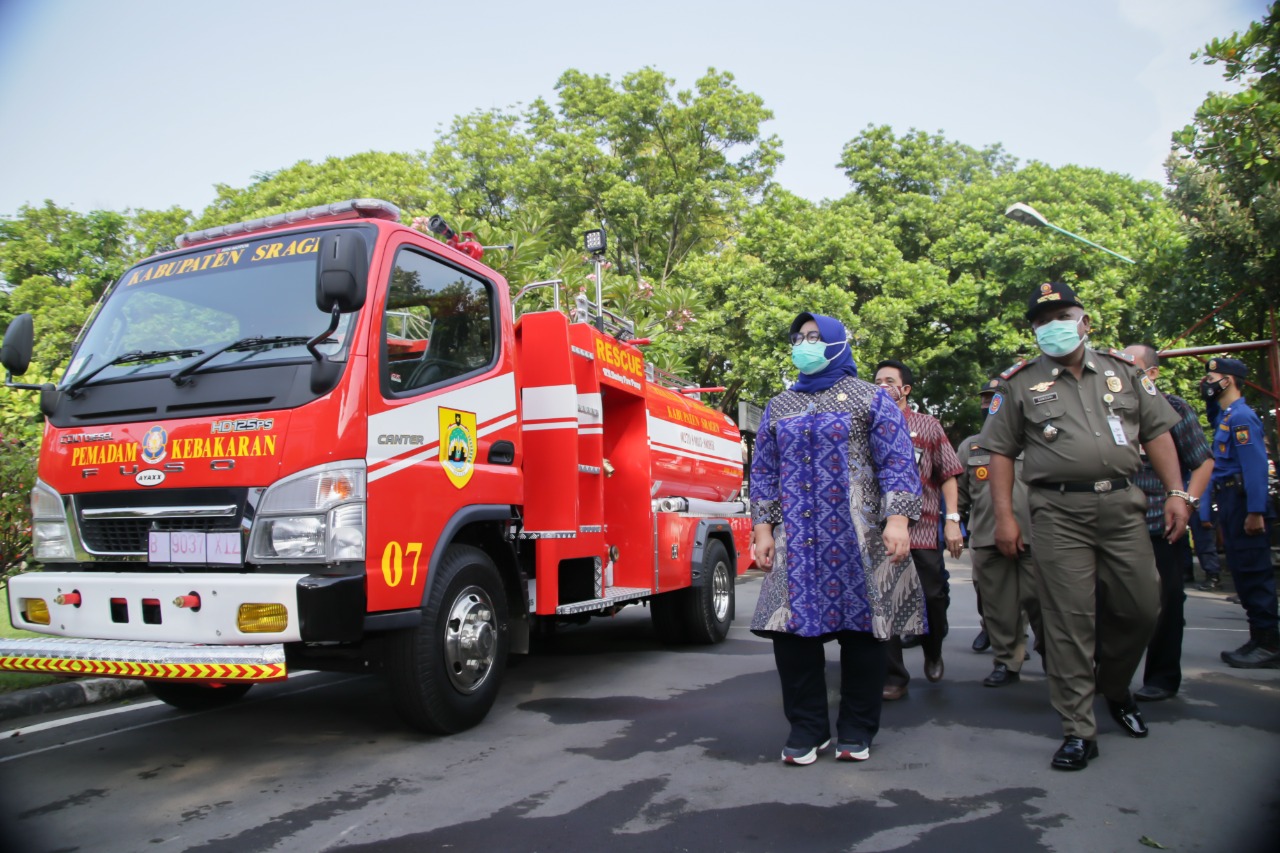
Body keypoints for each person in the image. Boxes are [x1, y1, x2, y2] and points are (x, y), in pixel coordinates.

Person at [980, 282, 1191, 771]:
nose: (1051, 326)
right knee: (1068, 621)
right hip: (1057, 513)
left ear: (1085, 322)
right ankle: (1079, 729)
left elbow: (1158, 432)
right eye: (1041, 321)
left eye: (1061, 316)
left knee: (1143, 608)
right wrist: (1006, 518)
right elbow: (1000, 453)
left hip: (1122, 508)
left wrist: (1177, 492)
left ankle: (1114, 687)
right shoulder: (1018, 383)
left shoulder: (1124, 372)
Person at [751, 312, 924, 766]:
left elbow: (897, 461)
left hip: (858, 537)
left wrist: (898, 520)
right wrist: (763, 528)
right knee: (790, 632)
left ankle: (856, 727)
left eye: (814, 337)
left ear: (836, 343)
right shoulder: (779, 406)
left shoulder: (871, 398)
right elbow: (764, 470)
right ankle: (807, 728)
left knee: (863, 631)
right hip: (797, 540)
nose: (803, 344)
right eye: (798, 338)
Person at [1122, 343, 1214, 701]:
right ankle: (1105, 675)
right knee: (1105, 603)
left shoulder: (1173, 408)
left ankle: (1161, 677)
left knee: (1167, 601)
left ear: (1153, 373)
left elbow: (1202, 461)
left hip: (1160, 523)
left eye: (1133, 367)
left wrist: (1186, 502)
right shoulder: (1105, 409)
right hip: (1113, 524)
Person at [874, 359, 965, 700]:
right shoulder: (866, 425)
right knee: (885, 601)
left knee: (932, 597)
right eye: (877, 382)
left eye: (889, 381)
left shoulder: (928, 426)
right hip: (880, 530)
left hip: (923, 529)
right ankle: (894, 676)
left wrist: (952, 521)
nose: (882, 387)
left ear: (906, 389)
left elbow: (948, 474)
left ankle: (933, 649)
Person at [956, 378, 1044, 687]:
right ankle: (1007, 661)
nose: (989, 404)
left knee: (1043, 603)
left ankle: (1055, 656)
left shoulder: (1037, 439)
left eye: (996, 398)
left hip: (1036, 537)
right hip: (987, 537)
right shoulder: (971, 446)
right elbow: (960, 495)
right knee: (999, 608)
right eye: (985, 399)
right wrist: (954, 525)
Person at [1199, 357, 1279, 668]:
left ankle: (1269, 642)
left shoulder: (1242, 417)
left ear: (1228, 380)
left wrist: (1256, 510)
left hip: (1245, 500)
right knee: (1243, 572)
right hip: (1231, 498)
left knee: (1255, 572)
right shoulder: (1227, 416)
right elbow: (1214, 418)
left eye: (1211, 378)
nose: (1206, 383)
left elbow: (1255, 466)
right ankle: (1259, 638)